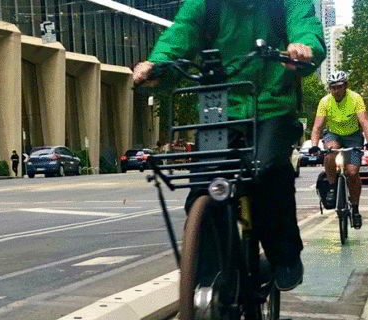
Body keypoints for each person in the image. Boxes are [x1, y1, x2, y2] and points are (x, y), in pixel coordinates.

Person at [132, 0, 324, 291]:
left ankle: (284, 256)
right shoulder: (204, 5)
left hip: (272, 105)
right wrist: (155, 66)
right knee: (205, 187)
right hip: (219, 107)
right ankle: (214, 279)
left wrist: (304, 49)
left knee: (269, 172)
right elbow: (180, 34)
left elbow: (305, 25)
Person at [309, 70, 368, 228]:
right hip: (333, 134)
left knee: (353, 173)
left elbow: (364, 122)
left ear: (345, 86)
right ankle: (333, 187)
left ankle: (355, 209)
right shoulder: (325, 101)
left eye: (339, 87)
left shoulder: (355, 98)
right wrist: (314, 146)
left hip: (353, 136)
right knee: (330, 154)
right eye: (332, 87)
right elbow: (317, 127)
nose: (336, 91)